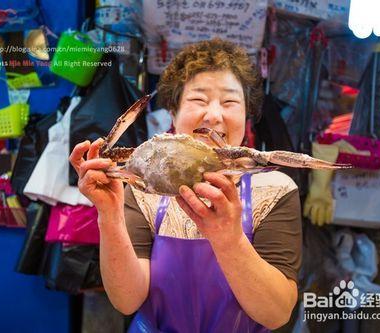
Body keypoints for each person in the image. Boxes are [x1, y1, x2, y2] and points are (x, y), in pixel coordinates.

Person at [69, 38, 301, 332]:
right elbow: (127, 301)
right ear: (173, 114)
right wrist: (109, 215)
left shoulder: (275, 189)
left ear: (246, 117)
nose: (213, 115)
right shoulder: (143, 187)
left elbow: (276, 313)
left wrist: (229, 240)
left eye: (230, 102)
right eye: (198, 100)